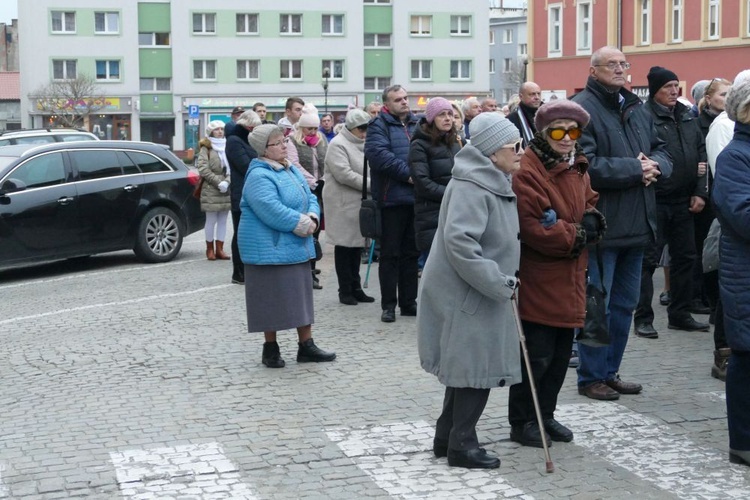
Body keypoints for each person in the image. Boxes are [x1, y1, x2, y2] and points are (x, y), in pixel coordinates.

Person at [417, 113, 523, 470]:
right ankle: (461, 445)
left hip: (478, 289)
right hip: (471, 292)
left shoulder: (490, 178)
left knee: (466, 367)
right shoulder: (474, 185)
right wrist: (497, 282)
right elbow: (461, 243)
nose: (521, 151)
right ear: (493, 152)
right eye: (515, 146)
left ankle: (447, 436)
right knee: (476, 369)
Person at [571, 46, 672, 401]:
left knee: (624, 306)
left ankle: (610, 371)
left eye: (623, 64)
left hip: (639, 223)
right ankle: (590, 376)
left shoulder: (635, 107)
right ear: (593, 69)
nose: (619, 69)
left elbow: (663, 148)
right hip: (603, 225)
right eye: (611, 64)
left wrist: (656, 165)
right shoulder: (581, 108)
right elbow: (583, 165)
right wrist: (635, 169)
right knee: (597, 304)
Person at [509, 100, 603, 447]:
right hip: (541, 276)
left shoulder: (576, 163)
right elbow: (533, 228)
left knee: (562, 354)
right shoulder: (529, 170)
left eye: (573, 131)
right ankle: (523, 421)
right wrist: (577, 232)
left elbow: (589, 201)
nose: (567, 138)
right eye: (559, 131)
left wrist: (588, 220)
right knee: (537, 355)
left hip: (572, 274)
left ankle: (545, 414)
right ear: (544, 133)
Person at [238, 124, 336, 368]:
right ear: (264, 150)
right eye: (278, 143)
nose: (285, 146)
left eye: (285, 141)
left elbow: (310, 196)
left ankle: (306, 345)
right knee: (268, 299)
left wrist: (313, 217)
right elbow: (270, 209)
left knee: (301, 297)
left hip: (296, 244)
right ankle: (270, 348)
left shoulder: (289, 169)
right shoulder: (259, 175)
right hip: (269, 248)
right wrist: (301, 222)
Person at [634, 67, 709, 339]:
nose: (674, 91)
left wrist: (700, 191)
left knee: (686, 258)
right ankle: (643, 317)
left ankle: (680, 313)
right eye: (668, 86)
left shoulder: (687, 115)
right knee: (648, 261)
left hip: (684, 201)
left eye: (676, 85)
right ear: (655, 90)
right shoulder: (643, 117)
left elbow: (701, 155)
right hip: (655, 199)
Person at [712, 77, 750, 467]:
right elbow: (742, 216)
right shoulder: (736, 156)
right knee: (747, 356)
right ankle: (743, 442)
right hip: (746, 274)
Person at [364, 84, 420, 323]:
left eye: (406, 98)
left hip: (416, 199)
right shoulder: (378, 125)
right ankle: (388, 305)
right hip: (391, 199)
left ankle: (409, 302)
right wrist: (409, 175)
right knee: (390, 254)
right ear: (387, 104)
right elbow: (379, 156)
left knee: (411, 253)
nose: (404, 102)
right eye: (398, 99)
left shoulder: (418, 124)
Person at [322, 108, 375, 306]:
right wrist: (371, 185)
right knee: (345, 247)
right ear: (351, 128)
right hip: (342, 204)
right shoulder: (337, 144)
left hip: (358, 203)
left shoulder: (364, 143)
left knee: (357, 247)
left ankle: (356, 287)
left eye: (366, 129)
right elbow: (343, 174)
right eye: (361, 129)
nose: (364, 133)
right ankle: (345, 290)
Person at [408, 97, 461, 259]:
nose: (447, 118)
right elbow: (422, 182)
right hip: (431, 214)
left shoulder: (456, 142)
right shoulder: (419, 145)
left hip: (456, 211)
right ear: (431, 119)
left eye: (450, 114)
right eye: (441, 115)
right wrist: (451, 193)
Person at [292, 104, 328, 289]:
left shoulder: (321, 140)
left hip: (320, 190)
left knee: (315, 231)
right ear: (301, 128)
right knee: (305, 229)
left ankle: (312, 271)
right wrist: (314, 181)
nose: (313, 131)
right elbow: (294, 165)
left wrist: (323, 179)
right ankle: (304, 272)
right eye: (309, 128)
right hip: (303, 189)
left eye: (315, 128)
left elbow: (328, 161)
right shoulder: (293, 141)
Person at [226, 110, 261, 284]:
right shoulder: (234, 141)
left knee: (248, 233)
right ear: (248, 126)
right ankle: (238, 272)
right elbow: (245, 165)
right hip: (240, 193)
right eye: (254, 128)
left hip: (249, 192)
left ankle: (247, 269)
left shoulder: (245, 140)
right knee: (240, 233)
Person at [197, 120, 232, 261]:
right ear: (211, 132)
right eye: (216, 129)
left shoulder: (227, 146)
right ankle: (209, 249)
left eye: (221, 129)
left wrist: (227, 181)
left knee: (223, 220)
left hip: (226, 188)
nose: (220, 131)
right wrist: (219, 182)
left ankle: (220, 249)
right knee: (211, 220)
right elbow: (203, 168)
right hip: (211, 188)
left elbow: (232, 167)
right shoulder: (206, 148)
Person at [507, 81, 543, 148]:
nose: (537, 97)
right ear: (521, 96)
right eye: (532, 94)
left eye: (539, 94)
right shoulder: (511, 120)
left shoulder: (548, 116)